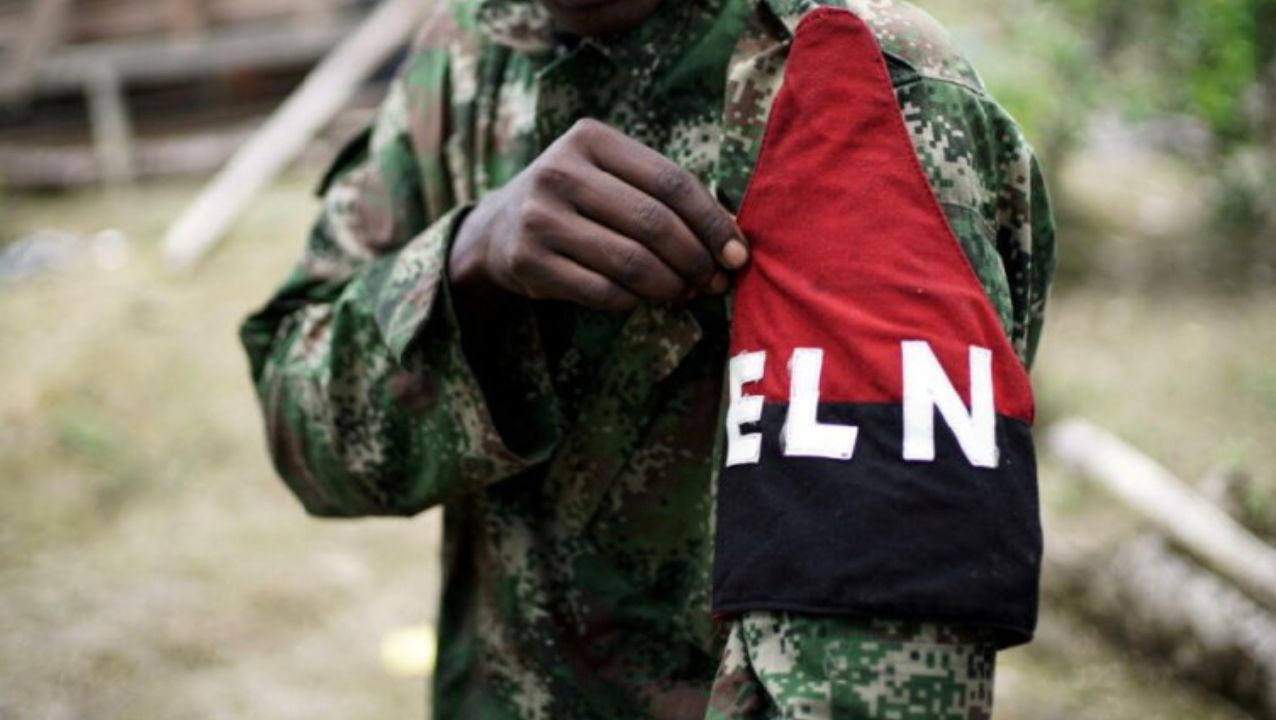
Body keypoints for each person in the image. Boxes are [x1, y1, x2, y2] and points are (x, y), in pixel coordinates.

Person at [240, 0, 1056, 718]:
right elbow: (304, 435)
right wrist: (465, 263)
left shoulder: (857, 79)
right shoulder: (468, 46)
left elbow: (879, 673)